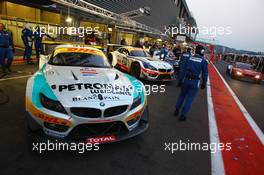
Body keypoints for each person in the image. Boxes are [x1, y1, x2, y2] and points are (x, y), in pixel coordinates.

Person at [174, 45, 208, 121]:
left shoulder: (189, 58)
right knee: (189, 99)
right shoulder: (203, 61)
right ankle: (183, 115)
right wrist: (204, 83)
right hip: (195, 82)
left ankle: (176, 110)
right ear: (202, 52)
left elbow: (183, 69)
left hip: (186, 79)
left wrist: (180, 80)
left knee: (182, 96)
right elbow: (205, 74)